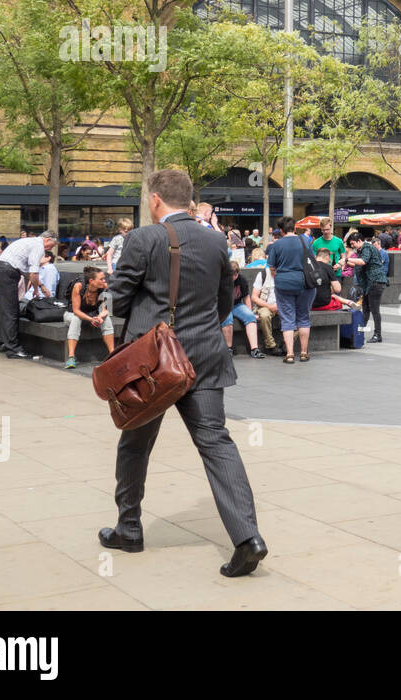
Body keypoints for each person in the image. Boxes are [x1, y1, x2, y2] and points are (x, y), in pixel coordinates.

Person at [102, 169, 267, 577]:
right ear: (188, 199)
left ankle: (129, 528)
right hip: (205, 357)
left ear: (156, 199)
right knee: (216, 443)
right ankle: (248, 537)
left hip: (154, 363)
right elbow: (224, 303)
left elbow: (120, 301)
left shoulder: (143, 238)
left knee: (135, 444)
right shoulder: (215, 240)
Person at [0, 230, 59, 359]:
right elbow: (33, 273)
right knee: (11, 312)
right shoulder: (38, 246)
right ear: (48, 239)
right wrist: (36, 289)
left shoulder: (29, 242)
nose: (50, 249)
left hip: (2, 269)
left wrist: (40, 286)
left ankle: (7, 344)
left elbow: (27, 271)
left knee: (6, 310)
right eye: (51, 245)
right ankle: (13, 349)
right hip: (8, 272)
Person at [266, 216, 315, 362]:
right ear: (294, 228)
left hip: (283, 283)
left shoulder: (276, 245)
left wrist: (280, 277)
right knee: (304, 318)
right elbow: (312, 260)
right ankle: (304, 352)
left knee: (287, 319)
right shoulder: (305, 240)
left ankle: (290, 354)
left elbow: (272, 267)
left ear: (281, 230)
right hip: (305, 283)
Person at [63, 266, 116, 369]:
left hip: (93, 314)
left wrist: (100, 317)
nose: (104, 281)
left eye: (104, 278)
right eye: (101, 279)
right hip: (71, 314)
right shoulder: (78, 286)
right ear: (91, 281)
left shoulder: (104, 287)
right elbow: (76, 311)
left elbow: (105, 310)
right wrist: (91, 319)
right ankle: (71, 357)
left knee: (107, 319)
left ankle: (112, 354)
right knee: (76, 319)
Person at [346, 232, 389, 343]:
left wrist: (347, 260)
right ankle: (360, 333)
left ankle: (377, 335)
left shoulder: (366, 248)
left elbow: (363, 261)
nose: (352, 246)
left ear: (359, 241)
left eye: (353, 243)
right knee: (365, 309)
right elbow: (359, 264)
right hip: (370, 284)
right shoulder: (363, 249)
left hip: (375, 282)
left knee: (374, 310)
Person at [222, 259, 266, 358]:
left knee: (250, 317)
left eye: (235, 275)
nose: (233, 277)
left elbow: (246, 297)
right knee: (227, 320)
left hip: (237, 305)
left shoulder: (241, 280)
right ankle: (228, 349)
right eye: (231, 275)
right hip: (224, 305)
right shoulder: (221, 280)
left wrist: (250, 312)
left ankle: (254, 349)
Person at [249, 265, 279, 353]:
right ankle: (271, 345)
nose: (274, 271)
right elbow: (254, 297)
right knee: (265, 315)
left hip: (282, 305)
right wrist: (270, 306)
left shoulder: (285, 274)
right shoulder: (263, 274)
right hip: (265, 305)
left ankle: (285, 344)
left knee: (298, 318)